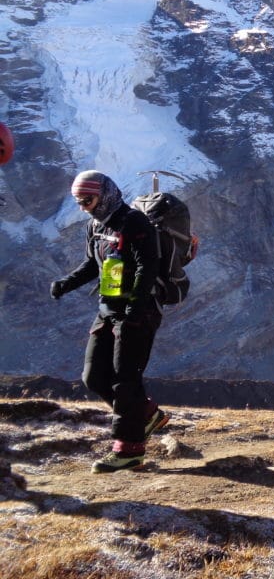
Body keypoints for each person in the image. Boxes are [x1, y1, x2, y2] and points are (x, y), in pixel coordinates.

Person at [49, 170, 170, 473]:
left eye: (87, 200)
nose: (84, 207)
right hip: (107, 309)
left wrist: (135, 308)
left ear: (104, 194)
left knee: (125, 379)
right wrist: (66, 283)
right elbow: (94, 264)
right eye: (79, 202)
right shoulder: (96, 225)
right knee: (93, 377)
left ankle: (129, 449)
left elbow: (148, 265)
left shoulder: (134, 222)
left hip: (137, 312)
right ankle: (147, 414)